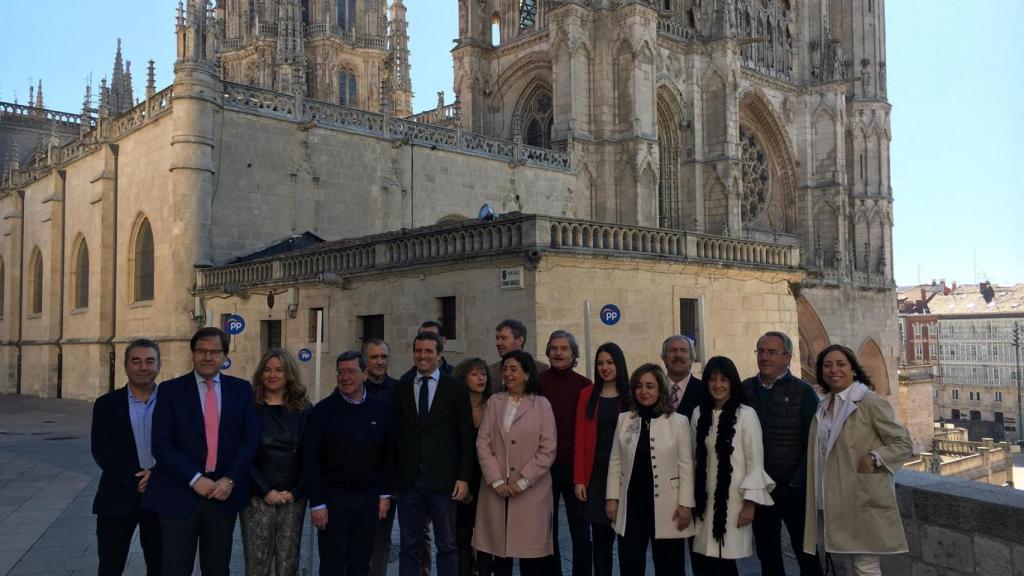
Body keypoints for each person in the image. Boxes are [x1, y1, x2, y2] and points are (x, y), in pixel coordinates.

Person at [142, 327, 260, 576]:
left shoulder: (241, 390)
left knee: (217, 569)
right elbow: (161, 443)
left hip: (222, 495)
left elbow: (250, 439)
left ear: (225, 355)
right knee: (175, 568)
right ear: (193, 354)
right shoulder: (171, 390)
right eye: (201, 351)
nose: (208, 357)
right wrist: (195, 479)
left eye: (215, 352)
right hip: (179, 493)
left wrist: (229, 480)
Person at [803, 345, 913, 576]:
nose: (834, 370)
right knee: (839, 564)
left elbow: (903, 443)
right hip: (828, 499)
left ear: (853, 370)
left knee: (865, 567)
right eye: (827, 365)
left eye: (841, 364)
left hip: (860, 498)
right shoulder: (823, 405)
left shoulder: (869, 402)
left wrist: (874, 459)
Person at [392, 331, 475, 576]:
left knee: (447, 545)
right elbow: (395, 435)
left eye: (428, 351)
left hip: (445, 481)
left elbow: (466, 436)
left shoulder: (456, 388)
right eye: (418, 350)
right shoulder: (402, 387)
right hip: (409, 481)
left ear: (439, 355)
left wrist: (463, 478)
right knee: (409, 545)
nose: (422, 356)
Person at [305, 351, 393, 576]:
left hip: (368, 499)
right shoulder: (322, 411)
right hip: (333, 500)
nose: (345, 377)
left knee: (361, 564)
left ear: (364, 374)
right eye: (340, 372)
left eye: (351, 371)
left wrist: (384, 495)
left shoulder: (381, 408)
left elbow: (388, 454)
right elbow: (311, 459)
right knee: (332, 564)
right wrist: (317, 503)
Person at [741, 331, 823, 576]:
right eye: (761, 351)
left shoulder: (804, 392)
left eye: (772, 352)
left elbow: (815, 441)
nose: (764, 357)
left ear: (787, 358)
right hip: (761, 489)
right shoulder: (745, 389)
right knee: (768, 556)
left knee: (806, 554)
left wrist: (797, 482)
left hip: (794, 490)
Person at [606, 364, 695, 576]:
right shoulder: (625, 419)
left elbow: (686, 466)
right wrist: (612, 499)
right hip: (632, 504)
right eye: (638, 386)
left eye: (649, 386)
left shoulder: (678, 422)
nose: (644, 391)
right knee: (630, 563)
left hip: (668, 506)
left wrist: (685, 505)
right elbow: (615, 461)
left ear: (660, 389)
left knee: (669, 565)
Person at [473, 351, 556, 576]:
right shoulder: (495, 402)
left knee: (531, 557)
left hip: (531, 491)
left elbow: (547, 450)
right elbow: (483, 443)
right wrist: (497, 480)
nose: (507, 374)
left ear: (527, 374)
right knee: (499, 555)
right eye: (505, 369)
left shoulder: (542, 405)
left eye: (513, 369)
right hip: (496, 491)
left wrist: (521, 482)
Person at [690, 356, 775, 576]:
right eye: (712, 379)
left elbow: (755, 464)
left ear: (732, 383)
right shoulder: (699, 414)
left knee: (725, 562)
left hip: (734, 502)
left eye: (724, 380)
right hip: (704, 501)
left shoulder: (746, 415)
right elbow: (694, 459)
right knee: (704, 559)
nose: (718, 385)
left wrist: (750, 505)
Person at [91, 339, 164, 576]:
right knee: (111, 566)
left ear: (158, 366)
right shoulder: (106, 404)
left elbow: (183, 445)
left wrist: (157, 475)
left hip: (160, 496)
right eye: (136, 361)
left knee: (160, 565)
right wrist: (135, 478)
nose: (143, 367)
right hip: (117, 497)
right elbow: (101, 449)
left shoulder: (172, 402)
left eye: (149, 361)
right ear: (126, 366)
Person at [241, 348, 311, 576]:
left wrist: (296, 491)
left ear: (288, 373)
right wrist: (265, 491)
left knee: (287, 562)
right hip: (256, 497)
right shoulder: (249, 407)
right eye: (267, 369)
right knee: (257, 563)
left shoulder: (305, 409)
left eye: (279, 370)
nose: (272, 375)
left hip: (293, 497)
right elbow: (242, 454)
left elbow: (310, 454)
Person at [573, 343, 631, 576]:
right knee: (601, 543)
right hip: (596, 476)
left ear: (619, 363)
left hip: (625, 476)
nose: (605, 367)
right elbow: (580, 439)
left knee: (627, 542)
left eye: (609, 362)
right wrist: (579, 479)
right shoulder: (587, 394)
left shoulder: (631, 394)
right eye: (600, 363)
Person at [538, 330, 592, 576]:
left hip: (574, 466)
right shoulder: (537, 383)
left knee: (580, 530)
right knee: (547, 530)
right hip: (545, 467)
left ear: (573, 354)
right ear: (548, 351)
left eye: (564, 349)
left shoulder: (584, 386)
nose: (558, 353)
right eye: (554, 348)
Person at [363, 338, 401, 576]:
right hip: (356, 477)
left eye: (383, 357)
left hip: (387, 477)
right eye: (374, 357)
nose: (379, 361)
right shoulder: (352, 386)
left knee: (381, 540)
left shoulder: (400, 390)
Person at [453, 358, 492, 576]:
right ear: (463, 378)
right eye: (475, 374)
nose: (481, 378)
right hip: (463, 480)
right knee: (463, 535)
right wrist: (462, 479)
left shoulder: (494, 405)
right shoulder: (455, 406)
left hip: (488, 480)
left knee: (486, 537)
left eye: (484, 374)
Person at [488, 319, 548, 393]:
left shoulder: (542, 369)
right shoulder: (491, 371)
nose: (498, 343)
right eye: (497, 338)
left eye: (503, 338)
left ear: (520, 340)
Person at [661, 335, 703, 419]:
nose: (678, 355)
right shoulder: (654, 390)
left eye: (683, 350)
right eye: (672, 350)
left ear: (692, 358)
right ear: (664, 358)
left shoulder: (705, 390)